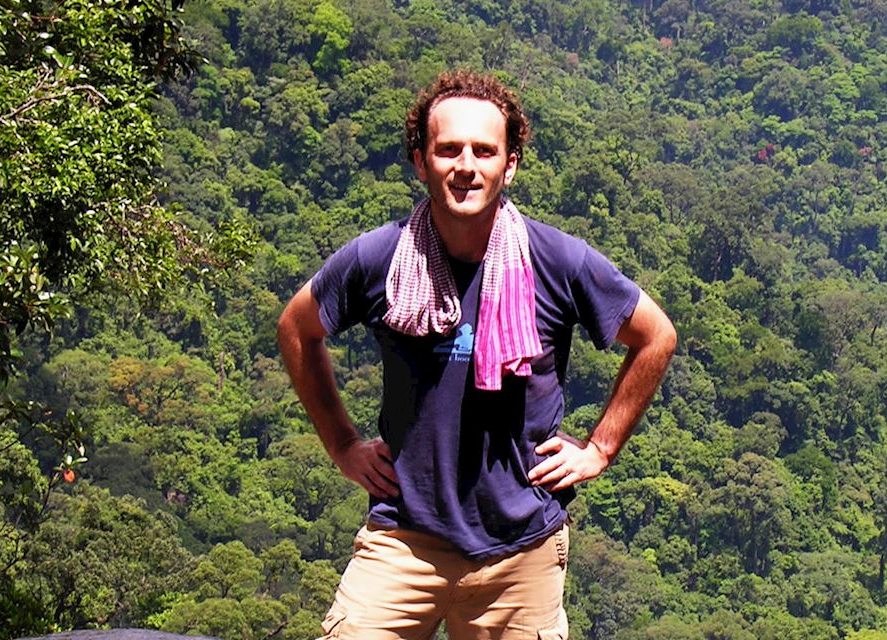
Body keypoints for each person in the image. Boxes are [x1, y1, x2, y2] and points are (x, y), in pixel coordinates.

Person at [276, 70, 677, 640]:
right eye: (448, 149)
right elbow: (297, 329)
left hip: (521, 549)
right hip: (404, 536)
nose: (466, 165)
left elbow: (656, 336)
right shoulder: (381, 258)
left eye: (484, 150)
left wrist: (600, 448)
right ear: (422, 162)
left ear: (509, 164)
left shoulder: (557, 261)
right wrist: (341, 444)